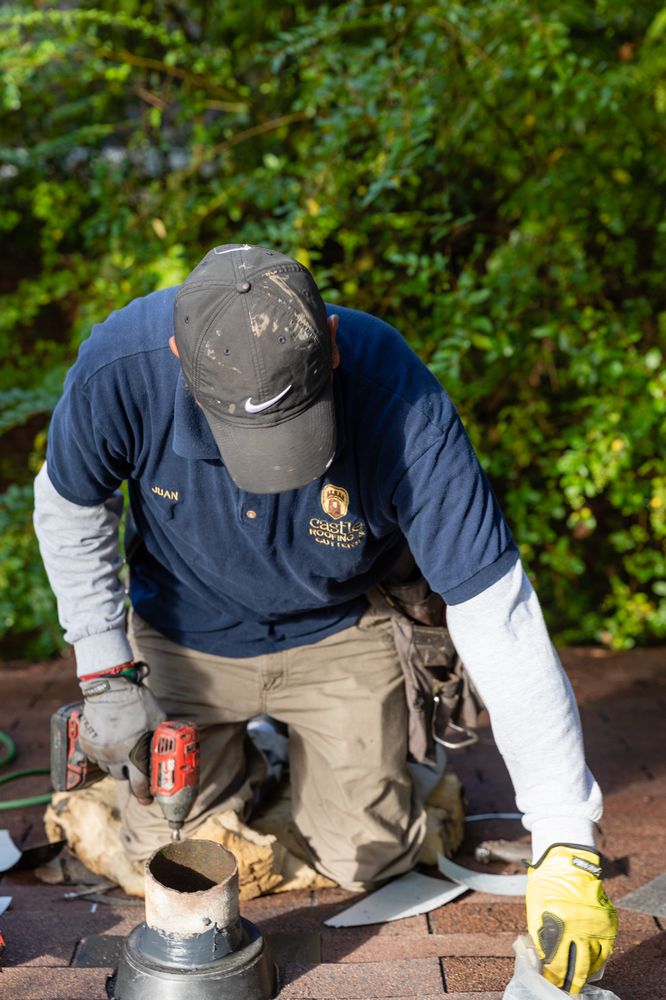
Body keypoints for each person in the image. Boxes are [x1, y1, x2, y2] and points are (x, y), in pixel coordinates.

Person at [34, 243, 617, 994]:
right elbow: (70, 504)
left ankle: (361, 771)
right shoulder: (122, 367)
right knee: (164, 853)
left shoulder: (399, 399)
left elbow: (495, 610)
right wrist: (107, 671)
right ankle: (260, 761)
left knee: (368, 856)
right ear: (180, 357)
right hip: (185, 635)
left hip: (342, 630)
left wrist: (567, 839)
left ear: (332, 342)